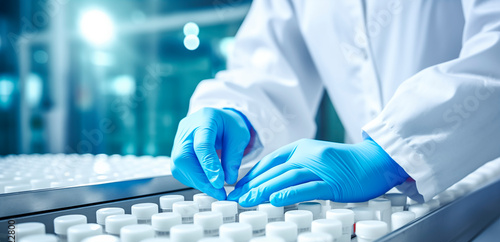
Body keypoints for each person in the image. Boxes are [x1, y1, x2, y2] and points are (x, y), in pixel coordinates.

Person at [170, 0, 500, 207]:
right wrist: (238, 114)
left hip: (481, 203)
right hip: (367, 210)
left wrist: (394, 152)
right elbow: (268, 64)